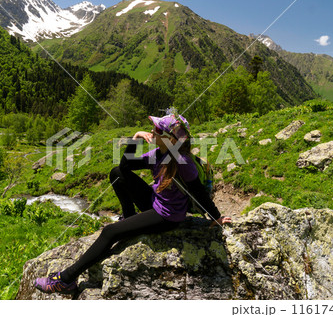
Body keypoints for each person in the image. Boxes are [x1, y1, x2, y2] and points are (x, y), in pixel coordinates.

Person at [34, 110, 232, 294]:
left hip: (168, 216)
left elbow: (198, 192)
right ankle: (129, 219)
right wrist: (136, 137)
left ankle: (66, 280)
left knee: (109, 232)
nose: (152, 132)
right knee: (117, 174)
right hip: (154, 202)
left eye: (156, 130)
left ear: (170, 139)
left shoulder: (184, 163)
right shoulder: (159, 154)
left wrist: (216, 217)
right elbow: (126, 166)